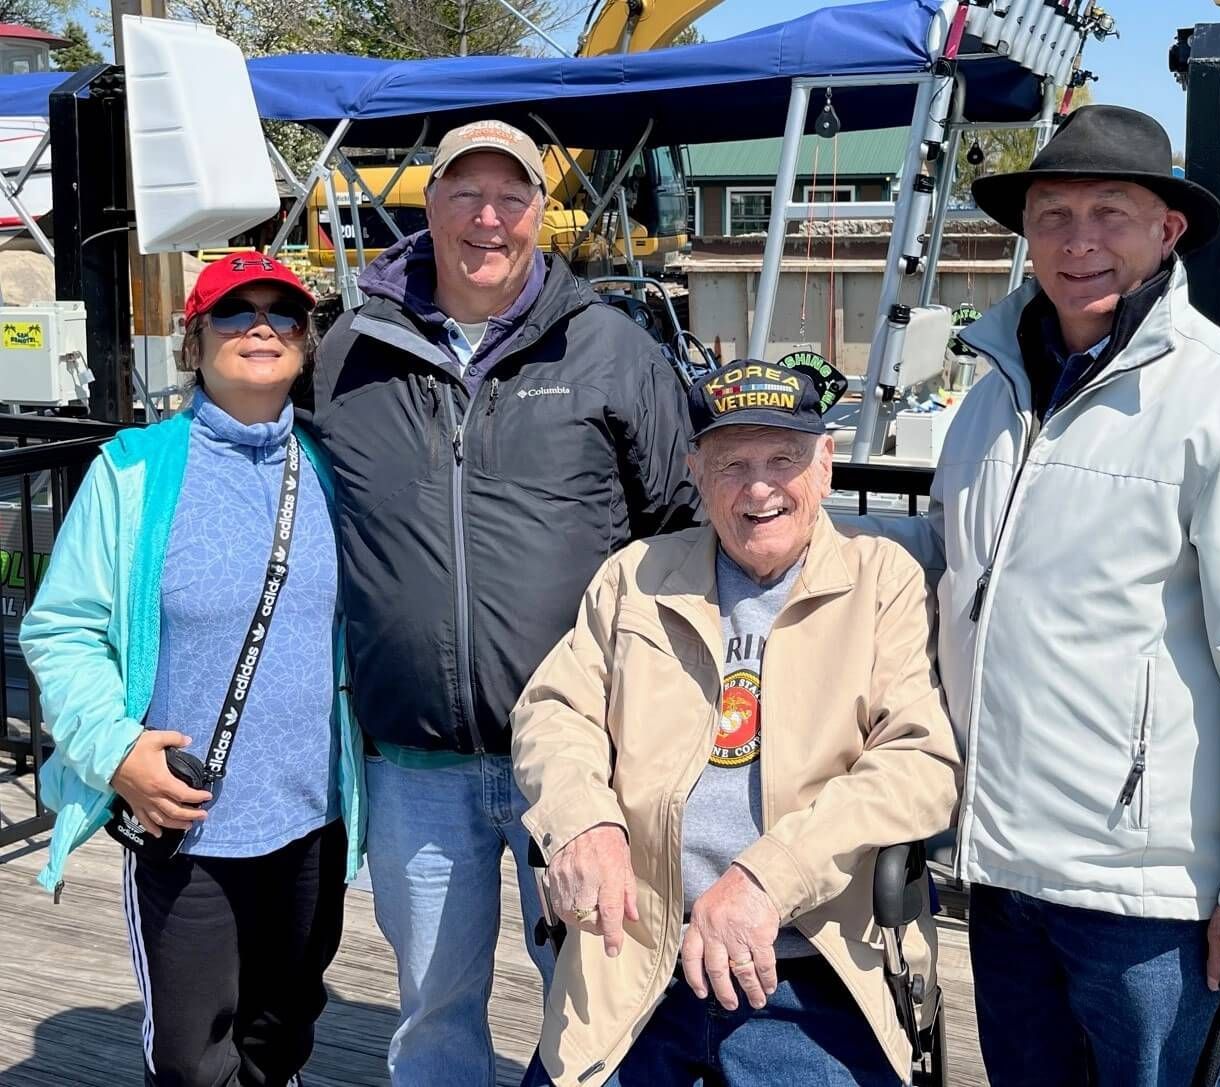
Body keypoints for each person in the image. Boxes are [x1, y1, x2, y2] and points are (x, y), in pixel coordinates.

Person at [889, 104, 1220, 1085]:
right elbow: (955, 564)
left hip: (1148, 899)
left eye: (1109, 213)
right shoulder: (990, 398)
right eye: (1053, 214)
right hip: (1002, 874)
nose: (1078, 241)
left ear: (1167, 231)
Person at [307, 119, 698, 1085]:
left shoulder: (610, 346)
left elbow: (685, 523)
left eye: (512, 196)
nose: (489, 218)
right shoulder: (350, 348)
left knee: (599, 1006)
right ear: (428, 207)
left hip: (576, 761)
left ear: (540, 212)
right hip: (415, 763)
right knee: (432, 1012)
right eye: (464, 195)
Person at [510, 360, 961, 1087]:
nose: (758, 488)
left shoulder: (883, 580)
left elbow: (919, 764)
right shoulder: (636, 575)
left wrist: (764, 877)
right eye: (732, 463)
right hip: (641, 955)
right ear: (695, 469)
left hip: (811, 969)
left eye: (783, 458)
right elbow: (553, 709)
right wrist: (583, 819)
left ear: (825, 462)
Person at [21, 253, 365, 1086]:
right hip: (186, 823)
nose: (261, 327)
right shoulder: (132, 469)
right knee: (189, 1056)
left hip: (311, 815)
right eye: (233, 312)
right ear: (193, 341)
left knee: (281, 1034)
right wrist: (115, 751)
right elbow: (61, 628)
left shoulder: (331, 469)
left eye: (283, 314)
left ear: (305, 343)